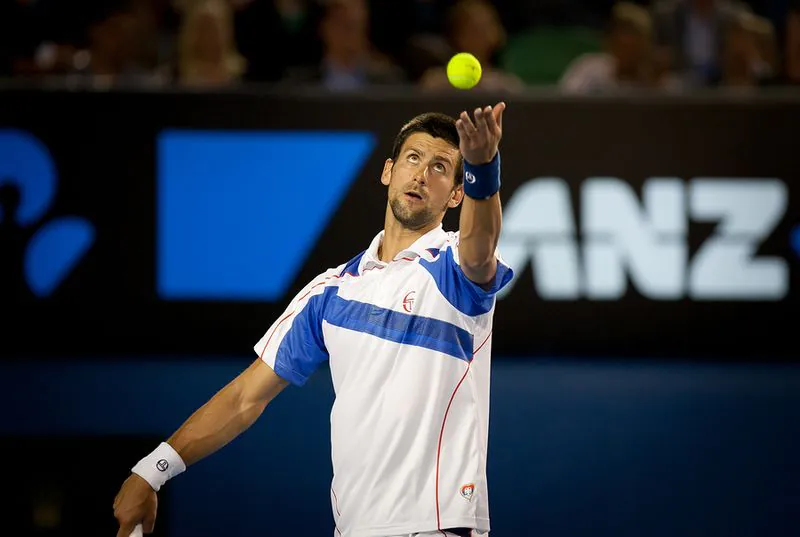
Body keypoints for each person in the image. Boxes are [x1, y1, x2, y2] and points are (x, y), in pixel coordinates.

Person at [113, 102, 513, 537]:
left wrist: (482, 166)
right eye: (413, 158)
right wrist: (153, 470)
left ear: (456, 195)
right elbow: (246, 397)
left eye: (440, 167)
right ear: (388, 171)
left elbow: (480, 244)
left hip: (437, 526)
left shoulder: (454, 267)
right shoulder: (331, 291)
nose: (421, 174)